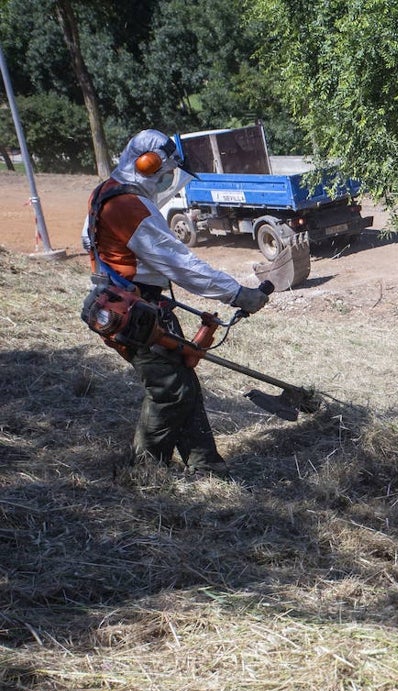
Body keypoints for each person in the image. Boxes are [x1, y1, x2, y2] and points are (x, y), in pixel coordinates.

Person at [81, 129, 269, 477]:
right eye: (166, 172)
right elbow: (180, 264)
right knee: (170, 389)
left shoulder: (107, 192)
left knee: (183, 381)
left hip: (137, 303)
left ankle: (206, 465)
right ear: (148, 165)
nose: (169, 179)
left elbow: (91, 242)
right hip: (133, 312)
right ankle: (146, 470)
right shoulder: (126, 205)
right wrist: (237, 294)